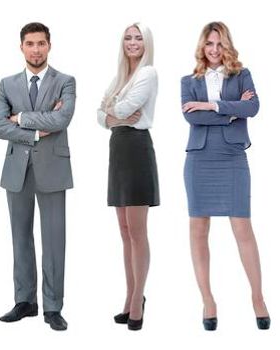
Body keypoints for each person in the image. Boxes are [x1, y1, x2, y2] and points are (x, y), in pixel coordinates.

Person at [181, 21, 270, 331]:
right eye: (209, 44)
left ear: (227, 45)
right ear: (202, 47)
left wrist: (210, 105)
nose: (215, 50)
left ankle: (257, 298)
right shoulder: (188, 80)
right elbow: (190, 116)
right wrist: (232, 111)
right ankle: (208, 301)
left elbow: (254, 107)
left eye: (219, 44)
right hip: (200, 158)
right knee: (198, 229)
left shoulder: (241, 75)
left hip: (232, 156)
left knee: (242, 227)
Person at [0, 22, 77, 332]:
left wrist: (20, 118)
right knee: (20, 238)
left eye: (41, 43)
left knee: (54, 240)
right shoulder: (7, 84)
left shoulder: (65, 81)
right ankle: (25, 301)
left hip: (54, 169)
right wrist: (37, 131)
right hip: (17, 169)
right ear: (22, 47)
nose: (36, 49)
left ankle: (53, 307)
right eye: (30, 44)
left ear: (49, 45)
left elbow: (62, 118)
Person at [97, 23, 158, 331]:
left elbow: (125, 106)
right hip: (118, 149)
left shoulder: (147, 73)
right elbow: (100, 114)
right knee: (123, 230)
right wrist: (112, 114)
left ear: (146, 43)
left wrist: (112, 111)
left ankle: (138, 300)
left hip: (135, 150)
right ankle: (130, 296)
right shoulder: (121, 76)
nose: (133, 43)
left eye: (138, 38)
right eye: (128, 38)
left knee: (137, 231)